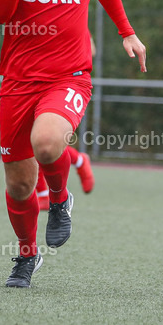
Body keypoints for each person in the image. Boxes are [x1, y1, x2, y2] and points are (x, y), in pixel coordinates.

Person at [0, 0, 146, 287]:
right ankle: (27, 255)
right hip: (18, 83)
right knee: (19, 185)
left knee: (47, 141)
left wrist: (126, 32)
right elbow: (0, 14)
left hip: (68, 77)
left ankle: (60, 199)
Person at [35, 36, 96, 209]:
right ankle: (44, 194)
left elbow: (91, 51)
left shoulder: (69, 15)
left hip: (60, 86)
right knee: (32, 143)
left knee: (44, 140)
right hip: (29, 81)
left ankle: (78, 162)